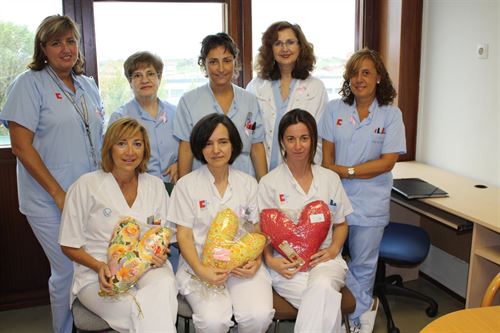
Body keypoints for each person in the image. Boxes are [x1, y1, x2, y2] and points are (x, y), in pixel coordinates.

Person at [0, 15, 103, 333]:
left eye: (71, 41)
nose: (66, 48)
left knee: (86, 266)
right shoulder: (28, 84)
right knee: (67, 270)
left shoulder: (88, 84)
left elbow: (97, 137)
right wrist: (58, 193)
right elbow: (20, 146)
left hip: (87, 196)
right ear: (43, 49)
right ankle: (64, 329)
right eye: (56, 42)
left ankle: (87, 324)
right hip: (48, 200)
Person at [59, 118, 178, 332]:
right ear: (109, 147)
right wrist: (99, 267)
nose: (130, 151)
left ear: (145, 149)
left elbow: (164, 233)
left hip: (148, 267)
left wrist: (162, 252)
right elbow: (68, 244)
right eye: (122, 143)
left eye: (137, 144)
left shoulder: (155, 186)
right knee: (144, 309)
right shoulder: (85, 186)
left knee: (166, 286)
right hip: (98, 274)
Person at [318, 48, 406, 333]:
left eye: (366, 72)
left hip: (370, 202)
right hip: (335, 199)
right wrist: (340, 172)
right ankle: (344, 311)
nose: (359, 79)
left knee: (364, 265)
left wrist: (348, 171)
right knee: (329, 258)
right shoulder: (334, 109)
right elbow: (326, 160)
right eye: (354, 73)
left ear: (378, 77)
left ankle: (358, 318)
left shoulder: (391, 115)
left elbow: (388, 161)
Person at [168, 113, 274, 333]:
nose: (216, 150)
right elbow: (184, 235)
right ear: (199, 148)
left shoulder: (248, 183)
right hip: (200, 266)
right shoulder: (186, 186)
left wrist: (255, 261)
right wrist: (201, 270)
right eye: (208, 143)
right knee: (213, 322)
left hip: (241, 265)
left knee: (259, 315)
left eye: (223, 142)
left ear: (233, 145)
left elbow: (257, 230)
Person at [258, 109, 352, 332]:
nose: (297, 146)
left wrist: (333, 250)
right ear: (282, 141)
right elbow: (262, 232)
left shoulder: (329, 179)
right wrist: (270, 261)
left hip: (326, 259)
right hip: (287, 265)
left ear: (313, 141)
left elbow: (341, 224)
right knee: (325, 303)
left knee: (321, 287)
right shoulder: (269, 183)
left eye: (304, 138)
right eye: (291, 139)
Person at [174, 32, 267, 180]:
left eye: (227, 60)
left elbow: (256, 146)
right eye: (213, 62)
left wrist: (263, 186)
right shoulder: (189, 101)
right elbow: (186, 150)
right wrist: (182, 188)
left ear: (235, 62)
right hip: (203, 185)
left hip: (244, 184)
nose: (221, 68)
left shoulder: (250, 101)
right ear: (204, 64)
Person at [247, 21, 328, 171]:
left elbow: (319, 138)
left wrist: (308, 172)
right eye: (277, 43)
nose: (284, 48)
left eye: (290, 42)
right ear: (270, 49)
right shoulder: (256, 86)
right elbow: (249, 131)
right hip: (260, 172)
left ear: (300, 46)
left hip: (301, 171)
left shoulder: (315, 88)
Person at [109, 51, 179, 184]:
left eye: (150, 73)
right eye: (137, 75)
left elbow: (188, 147)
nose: (145, 80)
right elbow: (112, 159)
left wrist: (180, 164)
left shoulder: (176, 113)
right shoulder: (120, 117)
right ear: (130, 82)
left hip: (175, 186)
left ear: (159, 78)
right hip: (138, 189)